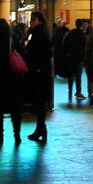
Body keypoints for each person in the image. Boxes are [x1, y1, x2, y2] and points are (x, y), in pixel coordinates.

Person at [25, 11, 52, 141]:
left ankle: (41, 128)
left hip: (38, 72)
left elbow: (31, 51)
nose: (31, 23)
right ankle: (41, 128)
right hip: (42, 72)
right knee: (39, 102)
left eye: (33, 20)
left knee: (39, 102)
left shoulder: (37, 34)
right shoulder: (42, 33)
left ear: (39, 21)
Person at [63, 18, 87, 102]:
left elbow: (65, 43)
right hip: (79, 58)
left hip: (70, 57)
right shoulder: (83, 35)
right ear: (82, 25)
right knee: (78, 76)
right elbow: (86, 47)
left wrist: (67, 53)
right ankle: (78, 92)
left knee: (71, 76)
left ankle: (69, 93)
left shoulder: (70, 33)